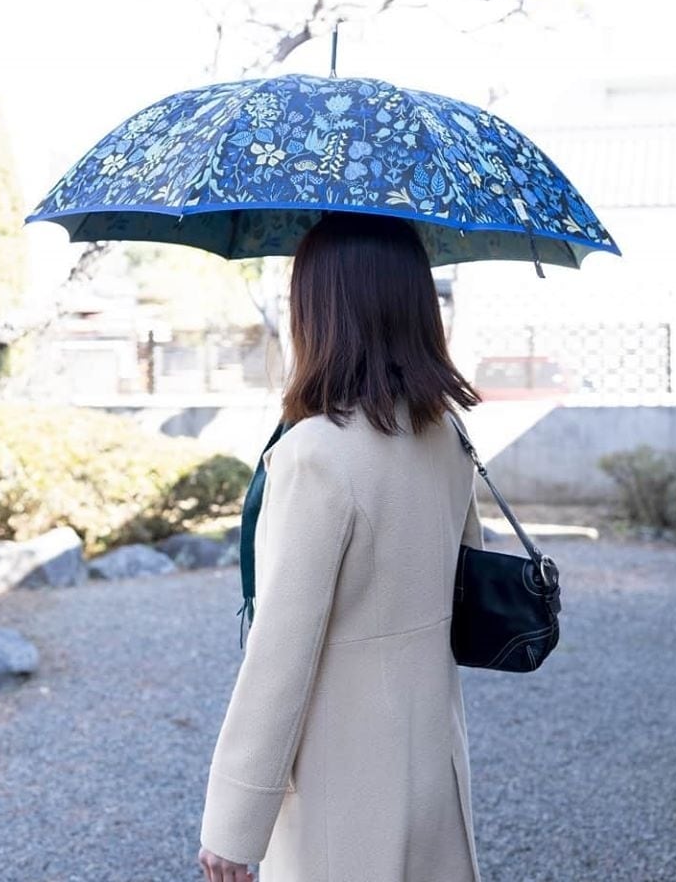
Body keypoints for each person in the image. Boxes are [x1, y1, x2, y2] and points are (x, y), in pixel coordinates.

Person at [198, 212, 485, 882]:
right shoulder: (447, 435)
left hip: (343, 777)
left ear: (319, 310)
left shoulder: (317, 455)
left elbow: (281, 651)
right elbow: (463, 571)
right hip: (432, 758)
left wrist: (234, 824)